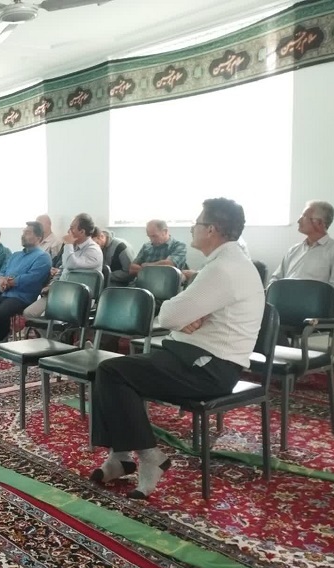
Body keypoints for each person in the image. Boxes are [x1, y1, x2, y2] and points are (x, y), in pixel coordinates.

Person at [90, 198, 264, 499]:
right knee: (113, 373)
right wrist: (185, 320)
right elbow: (178, 318)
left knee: (112, 372)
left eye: (197, 223)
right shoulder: (229, 262)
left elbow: (169, 315)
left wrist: (181, 319)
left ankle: (148, 457)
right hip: (195, 358)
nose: (193, 229)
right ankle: (121, 457)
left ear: (212, 229)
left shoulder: (223, 269)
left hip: (209, 368)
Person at [0, 221, 52, 343]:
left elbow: (32, 278)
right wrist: (1, 279)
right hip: (3, 292)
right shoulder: (15, 255)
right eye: (23, 232)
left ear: (39, 237)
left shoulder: (43, 257)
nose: (23, 235)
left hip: (21, 296)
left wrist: (10, 282)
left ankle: (0, 341)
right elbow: (2, 271)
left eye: (27, 233)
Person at [24, 213, 104, 318]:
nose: (68, 231)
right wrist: (52, 285)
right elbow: (63, 269)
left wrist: (68, 244)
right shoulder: (73, 247)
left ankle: (54, 328)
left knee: (45, 316)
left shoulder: (93, 251)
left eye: (72, 228)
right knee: (29, 313)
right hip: (61, 292)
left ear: (82, 232)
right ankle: (52, 329)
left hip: (78, 297)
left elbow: (70, 264)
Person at [268, 200, 334, 289]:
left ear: (319, 222)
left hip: (314, 298)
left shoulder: (333, 250)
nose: (299, 221)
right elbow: (275, 279)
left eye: (304, 217)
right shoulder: (294, 250)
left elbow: (333, 288)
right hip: (285, 296)